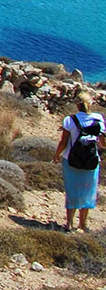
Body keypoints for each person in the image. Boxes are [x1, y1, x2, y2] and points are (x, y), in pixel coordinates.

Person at [52, 91, 106, 231]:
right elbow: (103, 144)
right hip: (91, 161)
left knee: (72, 191)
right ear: (91, 103)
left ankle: (69, 224)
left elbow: (63, 141)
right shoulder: (98, 119)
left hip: (70, 159)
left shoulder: (69, 120)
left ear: (77, 104)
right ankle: (83, 224)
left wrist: (57, 155)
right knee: (88, 191)